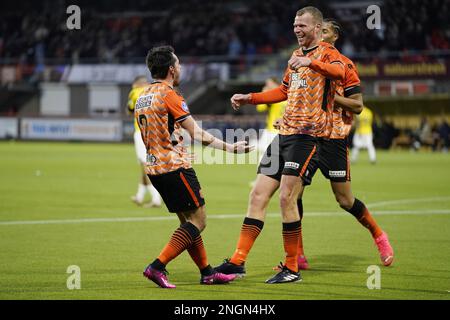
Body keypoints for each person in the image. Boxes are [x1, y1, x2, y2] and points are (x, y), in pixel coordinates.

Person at [215, 16, 394, 283]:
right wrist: (251, 98)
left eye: (325, 31)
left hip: (329, 138)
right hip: (293, 133)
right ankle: (282, 259)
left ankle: (378, 235)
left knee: (342, 200)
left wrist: (324, 85)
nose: (320, 34)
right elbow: (287, 92)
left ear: (326, 33)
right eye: (296, 26)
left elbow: (356, 103)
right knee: (281, 195)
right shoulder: (296, 57)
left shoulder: (338, 61)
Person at [138, 45, 253, 288]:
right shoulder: (170, 94)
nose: (180, 68)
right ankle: (157, 266)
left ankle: (207, 272)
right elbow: (197, 133)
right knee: (199, 221)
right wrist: (230, 148)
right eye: (178, 64)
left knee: (188, 223)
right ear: (171, 69)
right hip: (175, 166)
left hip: (155, 169)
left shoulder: (143, 95)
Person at [127, 75, 162, 208]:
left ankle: (156, 198)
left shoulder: (135, 92)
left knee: (146, 166)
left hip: (141, 133)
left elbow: (129, 110)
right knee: (146, 165)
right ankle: (140, 195)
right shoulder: (154, 91)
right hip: (155, 133)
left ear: (136, 84)